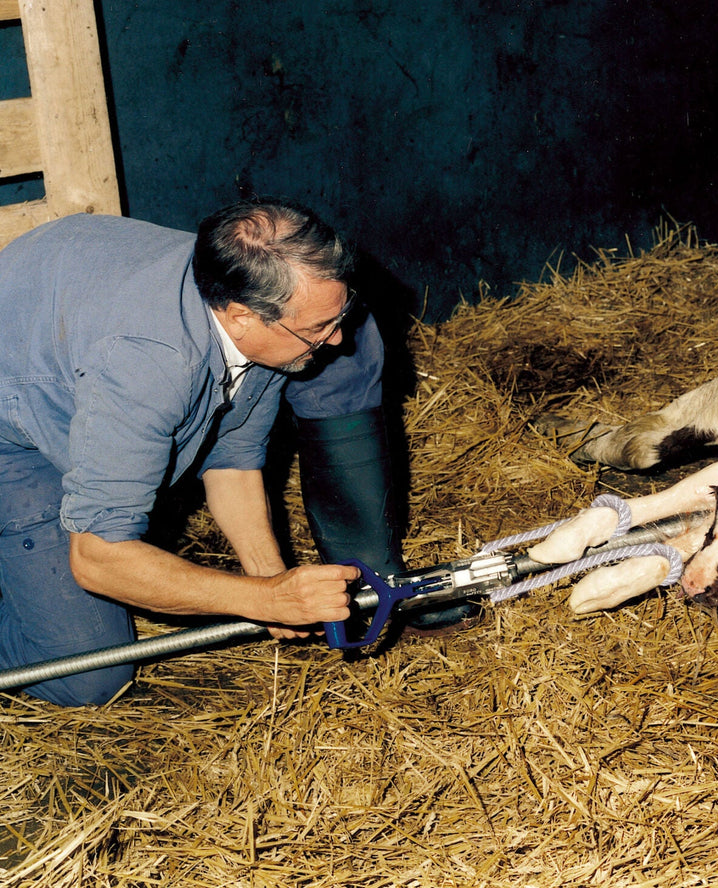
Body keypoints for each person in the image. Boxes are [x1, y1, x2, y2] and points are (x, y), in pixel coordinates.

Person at [0, 200, 473, 707]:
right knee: (88, 680)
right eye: (317, 329)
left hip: (75, 387)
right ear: (242, 316)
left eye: (336, 318)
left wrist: (271, 580)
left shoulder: (251, 310)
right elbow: (98, 558)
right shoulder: (149, 364)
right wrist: (264, 600)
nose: (337, 339)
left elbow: (232, 458)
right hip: (16, 439)